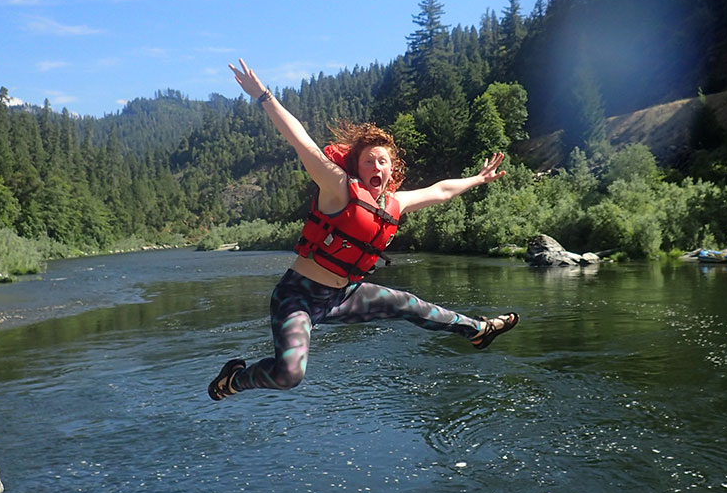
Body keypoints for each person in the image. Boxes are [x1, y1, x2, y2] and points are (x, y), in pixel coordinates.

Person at [208, 59, 520, 401]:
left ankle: (478, 330)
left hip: (343, 296)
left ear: (391, 170)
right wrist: (263, 95)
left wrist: (478, 178)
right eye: (369, 160)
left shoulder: (393, 204)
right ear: (357, 166)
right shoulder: (337, 188)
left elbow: (441, 191)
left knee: (410, 304)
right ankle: (235, 379)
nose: (376, 166)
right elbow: (301, 140)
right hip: (298, 296)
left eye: (383, 161)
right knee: (290, 374)